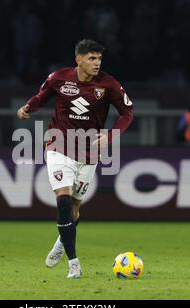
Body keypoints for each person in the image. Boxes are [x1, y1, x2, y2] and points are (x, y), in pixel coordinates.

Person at [16, 39, 134, 278]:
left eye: (99, 59)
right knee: (63, 202)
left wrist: (110, 136)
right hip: (58, 145)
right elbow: (42, 96)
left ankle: (62, 242)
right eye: (91, 58)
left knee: (75, 209)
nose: (96, 63)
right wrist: (28, 107)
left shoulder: (108, 84)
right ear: (78, 59)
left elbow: (127, 113)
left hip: (89, 151)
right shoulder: (59, 78)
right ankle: (74, 264)